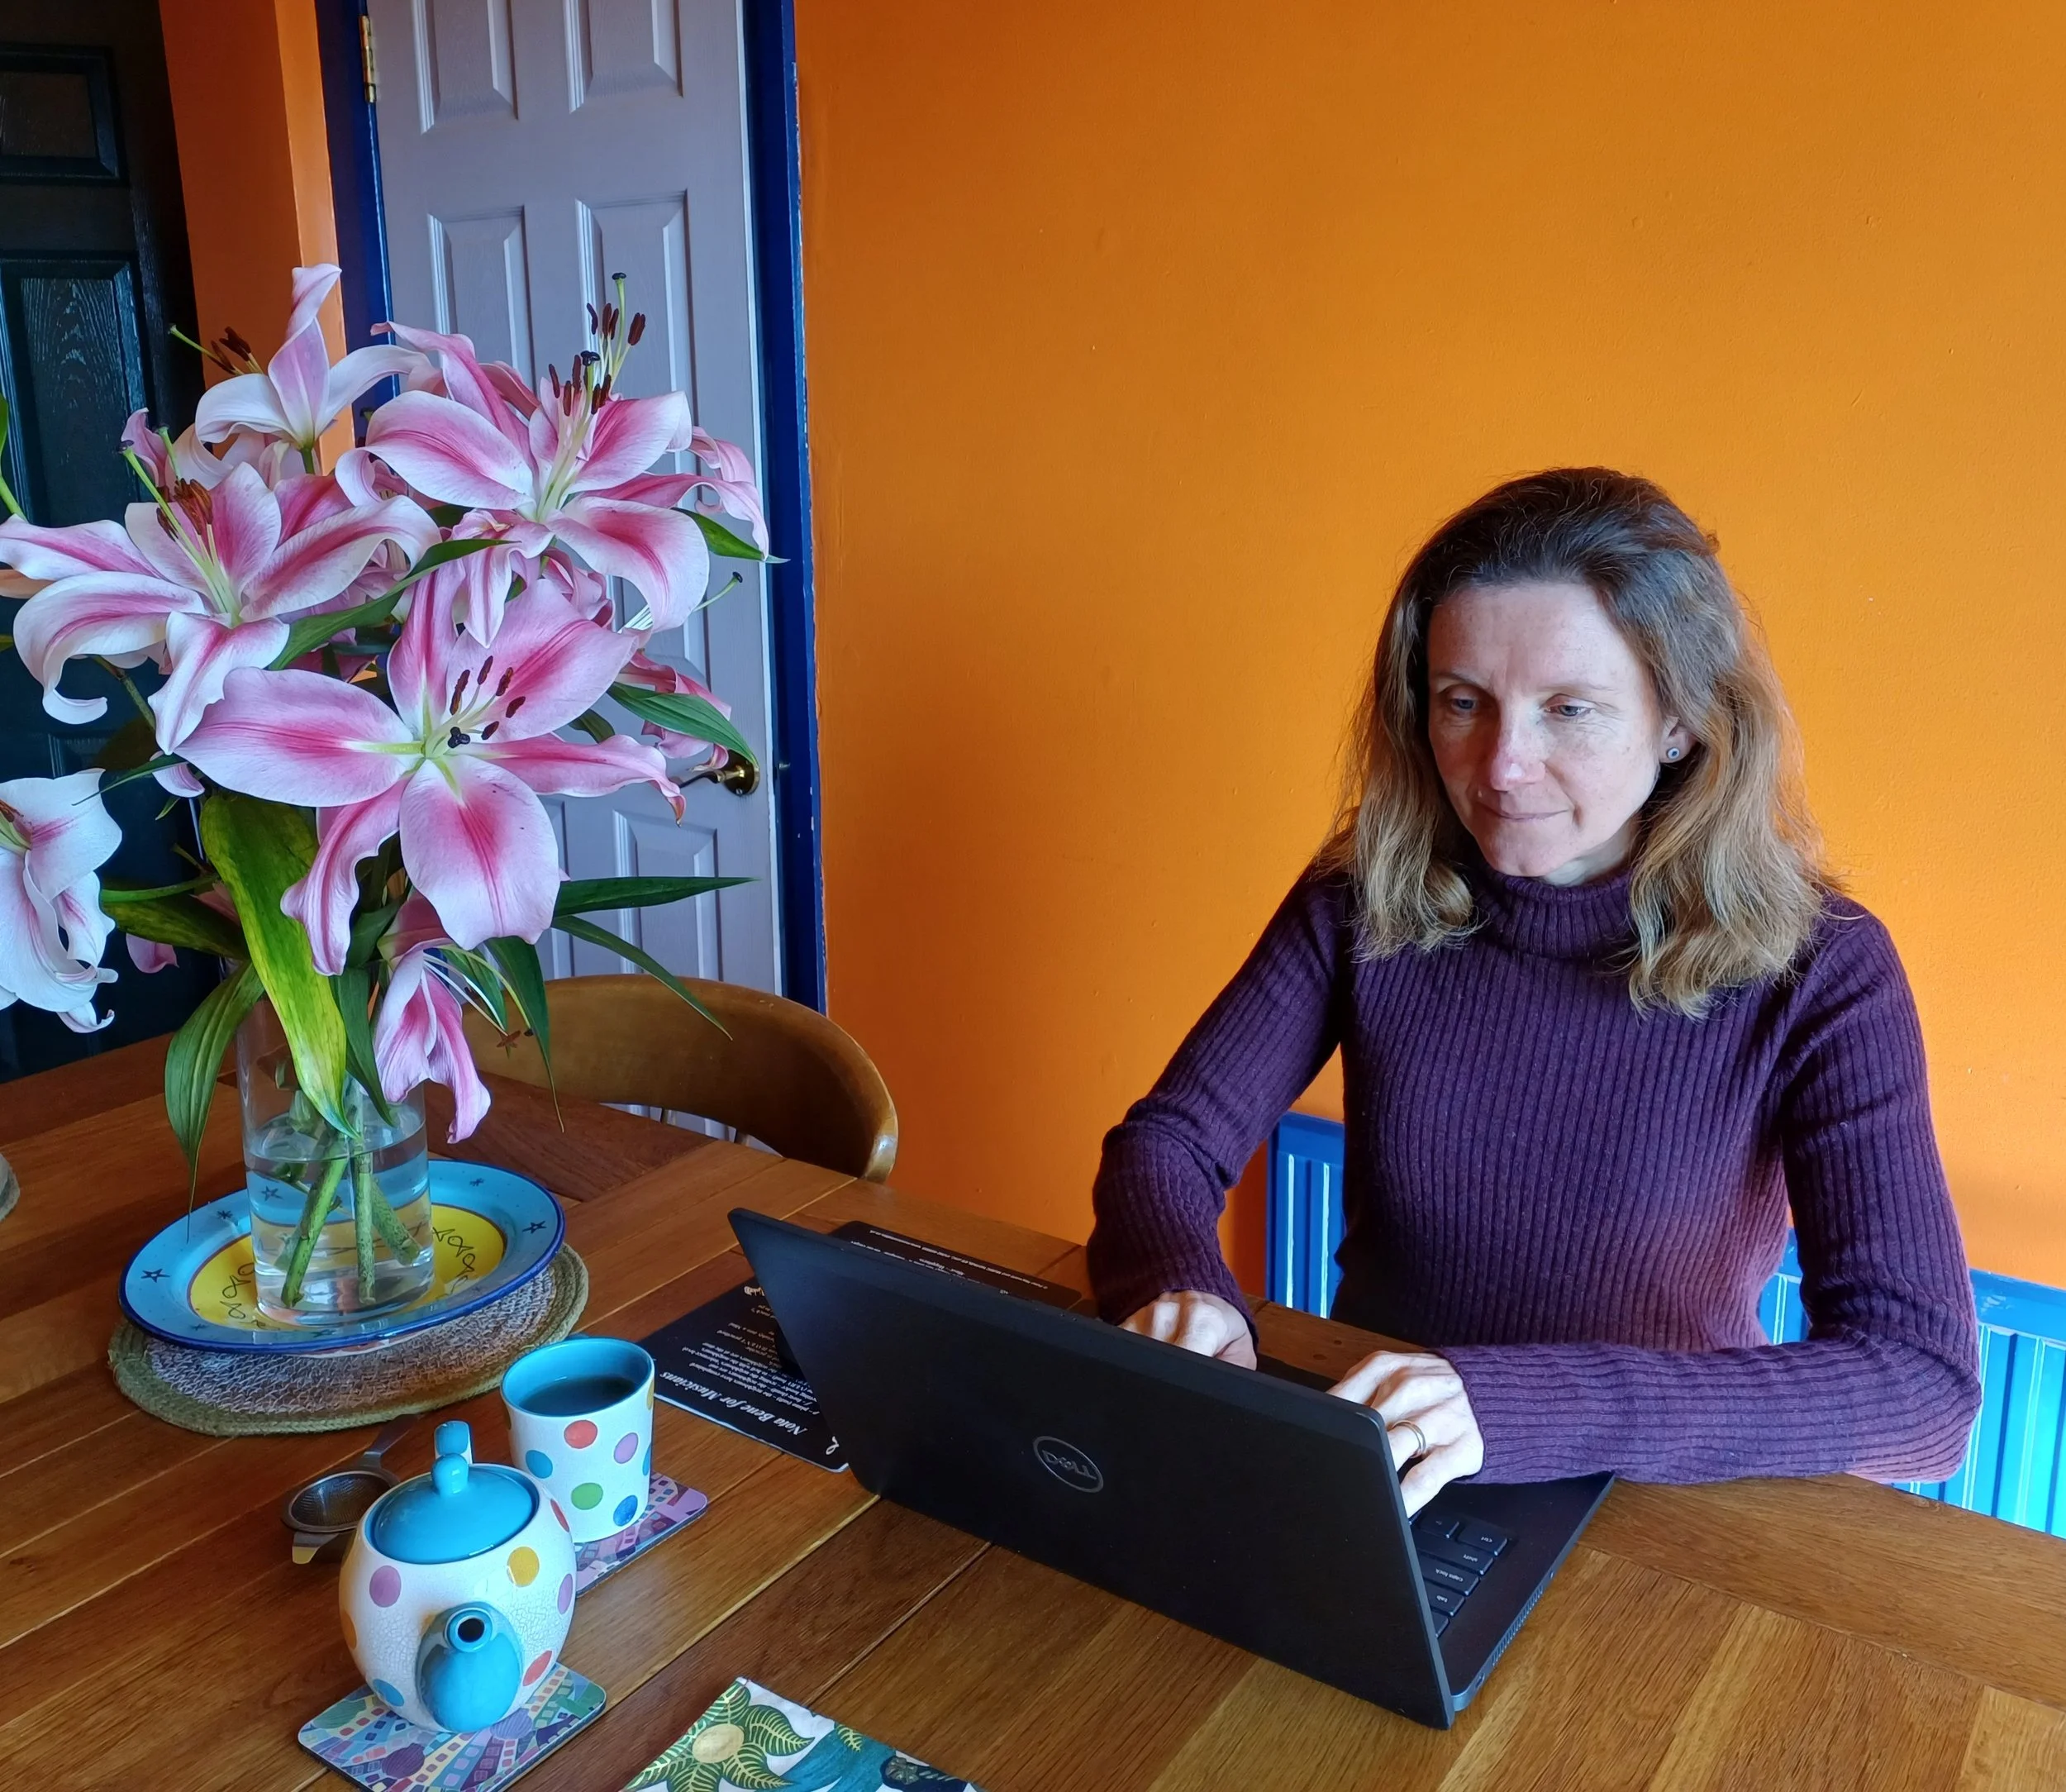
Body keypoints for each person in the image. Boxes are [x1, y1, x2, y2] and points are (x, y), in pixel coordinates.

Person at [1086, 468, 1980, 1513]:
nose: (1502, 766)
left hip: (1648, 1507)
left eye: (1569, 709)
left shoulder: (1822, 966)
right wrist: (1180, 1289)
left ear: (1681, 722)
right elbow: (1166, 1145)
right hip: (1383, 1475)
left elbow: (1920, 1387)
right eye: (1463, 702)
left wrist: (1519, 1405)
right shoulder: (1363, 894)